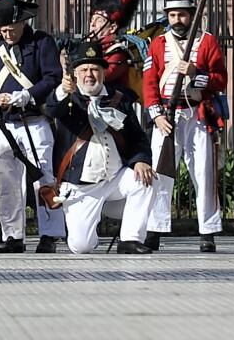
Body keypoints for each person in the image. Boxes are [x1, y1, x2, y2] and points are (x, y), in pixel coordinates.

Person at [0, 0, 64, 253]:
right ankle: (13, 235)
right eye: (4, 28)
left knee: (44, 178)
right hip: (5, 123)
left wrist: (30, 95)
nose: (8, 33)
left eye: (12, 27)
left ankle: (50, 233)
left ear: (23, 23)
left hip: (34, 121)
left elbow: (53, 77)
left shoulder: (42, 43)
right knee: (8, 182)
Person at [141, 0, 226, 252]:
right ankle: (155, 228)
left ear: (193, 15)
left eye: (183, 15)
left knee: (203, 172)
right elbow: (150, 82)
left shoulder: (208, 42)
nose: (178, 20)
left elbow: (220, 79)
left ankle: (208, 231)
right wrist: (157, 115)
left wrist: (196, 73)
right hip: (167, 116)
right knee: (160, 173)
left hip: (197, 114)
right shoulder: (158, 44)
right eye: (173, 15)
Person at [46, 45, 159, 255]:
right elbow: (52, 108)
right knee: (82, 246)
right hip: (82, 186)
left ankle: (130, 239)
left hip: (114, 179)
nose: (90, 75)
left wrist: (141, 160)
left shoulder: (120, 99)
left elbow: (138, 138)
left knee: (147, 179)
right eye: (84, 70)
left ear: (104, 73)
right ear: (75, 74)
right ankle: (91, 222)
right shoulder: (68, 99)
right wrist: (62, 90)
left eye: (95, 69)